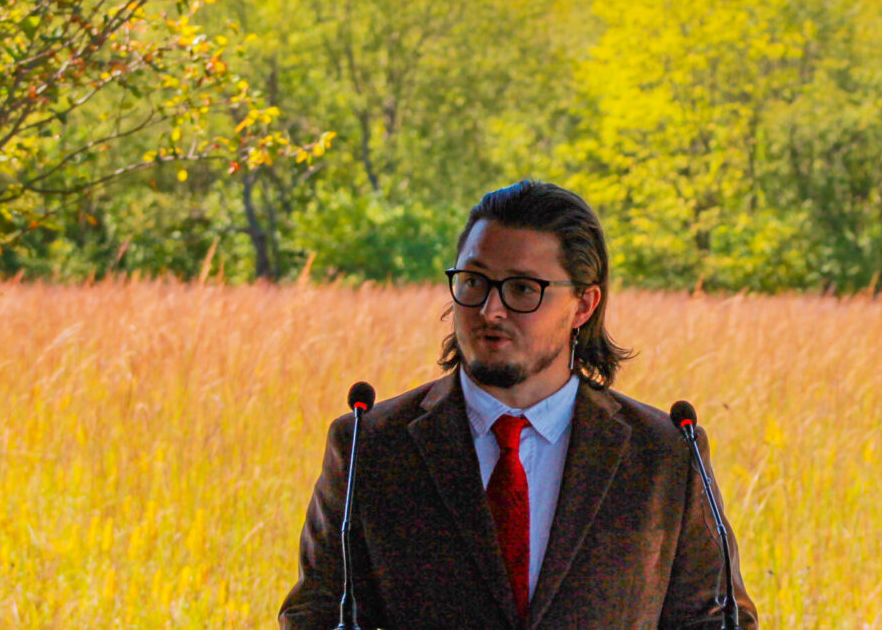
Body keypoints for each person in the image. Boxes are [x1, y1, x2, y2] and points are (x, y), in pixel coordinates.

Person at [279, 180, 757, 629]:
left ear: (584, 305)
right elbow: (318, 614)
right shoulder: (371, 445)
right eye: (473, 282)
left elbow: (713, 618)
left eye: (523, 289)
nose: (490, 310)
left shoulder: (663, 455)